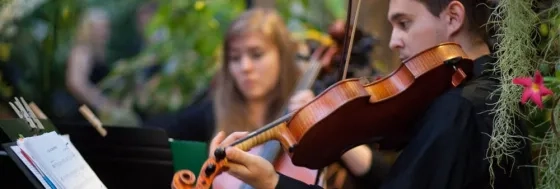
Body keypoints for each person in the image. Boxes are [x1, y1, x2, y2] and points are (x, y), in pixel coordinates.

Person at [208, 0, 536, 188]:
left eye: (404, 23)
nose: (393, 40)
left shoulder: (459, 108)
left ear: (452, 17)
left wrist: (274, 183)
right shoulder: (496, 93)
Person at [145, 8, 336, 188]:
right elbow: (153, 132)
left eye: (256, 54)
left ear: (282, 57)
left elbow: (364, 171)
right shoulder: (213, 113)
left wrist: (322, 121)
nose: (245, 67)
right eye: (235, 58)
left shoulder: (306, 112)